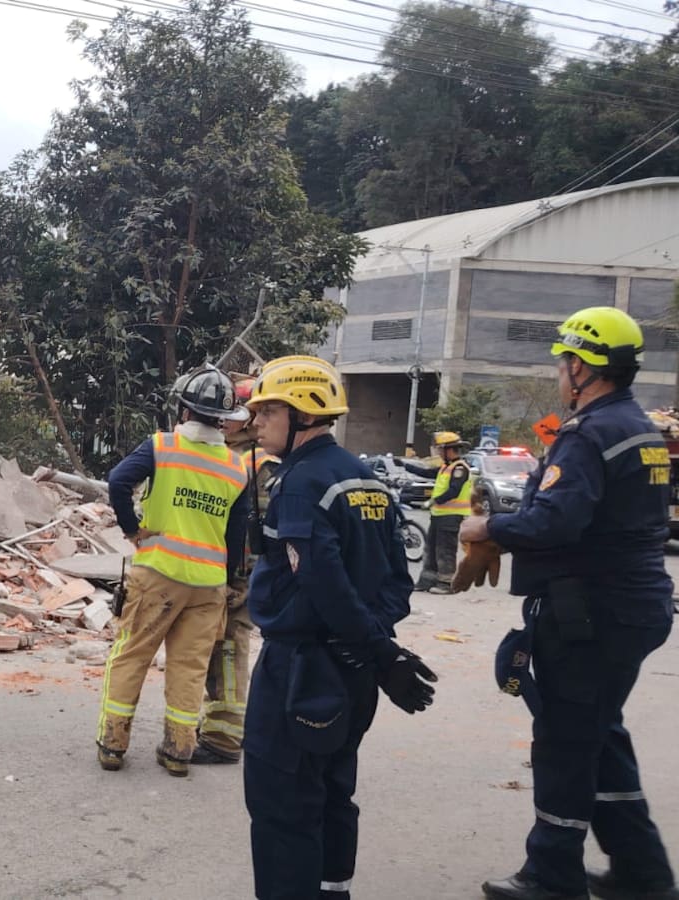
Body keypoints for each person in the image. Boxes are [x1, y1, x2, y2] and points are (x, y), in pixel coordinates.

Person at [459, 307, 677, 900]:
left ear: (582, 367)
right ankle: (642, 872)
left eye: (563, 362)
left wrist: (488, 527)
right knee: (599, 734)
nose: (559, 371)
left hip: (591, 614)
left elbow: (555, 521)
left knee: (564, 741)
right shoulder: (639, 429)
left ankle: (552, 875)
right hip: (632, 606)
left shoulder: (589, 434)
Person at [242, 355, 437, 899]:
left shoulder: (301, 484)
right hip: (352, 671)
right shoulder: (365, 479)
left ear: (303, 414)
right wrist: (376, 649)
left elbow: (322, 584)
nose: (257, 422)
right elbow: (398, 580)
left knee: (283, 801)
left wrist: (376, 650)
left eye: (268, 411)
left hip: (302, 668)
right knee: (332, 792)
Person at [97, 363, 250, 778]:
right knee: (189, 668)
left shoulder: (162, 446)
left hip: (159, 574)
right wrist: (230, 580)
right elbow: (236, 535)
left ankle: (113, 744)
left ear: (184, 410)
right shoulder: (237, 468)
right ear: (223, 419)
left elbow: (118, 481)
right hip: (208, 586)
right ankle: (179, 752)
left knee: (131, 656)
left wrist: (132, 529)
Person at [191, 376, 282, 766]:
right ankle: (220, 724)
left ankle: (224, 736)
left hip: (237, 576)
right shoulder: (236, 456)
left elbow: (252, 529)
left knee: (228, 648)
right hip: (225, 571)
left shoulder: (255, 463)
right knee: (220, 648)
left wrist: (238, 580)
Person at [399, 431, 472, 593]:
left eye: (440, 449)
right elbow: (426, 473)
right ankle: (427, 580)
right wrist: (404, 465)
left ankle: (446, 583)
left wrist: (433, 501)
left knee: (445, 550)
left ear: (449, 449)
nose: (438, 452)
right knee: (431, 549)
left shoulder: (460, 468)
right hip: (438, 515)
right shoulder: (445, 467)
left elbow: (454, 491)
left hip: (451, 516)